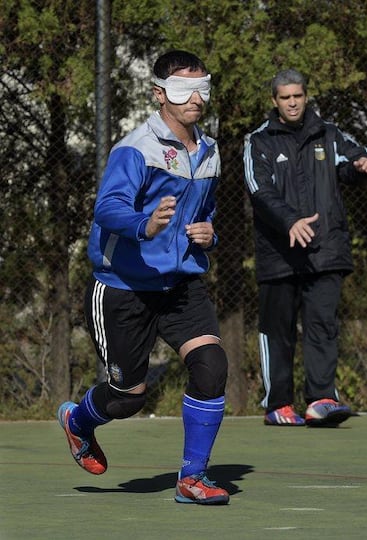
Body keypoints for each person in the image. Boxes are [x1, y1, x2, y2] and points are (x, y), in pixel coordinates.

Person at [57, 50, 230, 505]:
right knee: (128, 397)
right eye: (181, 89)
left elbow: (207, 212)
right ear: (158, 94)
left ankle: (193, 478)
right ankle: (79, 422)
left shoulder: (209, 152)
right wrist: (145, 226)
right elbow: (108, 208)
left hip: (180, 285)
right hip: (125, 287)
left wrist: (210, 233)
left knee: (212, 367)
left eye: (202, 88)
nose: (195, 98)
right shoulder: (136, 148)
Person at [243, 69, 367, 427]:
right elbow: (259, 191)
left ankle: (320, 399)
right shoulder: (259, 141)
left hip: (325, 251)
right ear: (275, 100)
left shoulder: (329, 134)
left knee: (322, 326)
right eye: (285, 97)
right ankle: (278, 404)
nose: (292, 102)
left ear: (306, 97)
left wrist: (363, 167)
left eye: (298, 96)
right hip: (279, 254)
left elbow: (357, 160)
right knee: (278, 330)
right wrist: (290, 221)